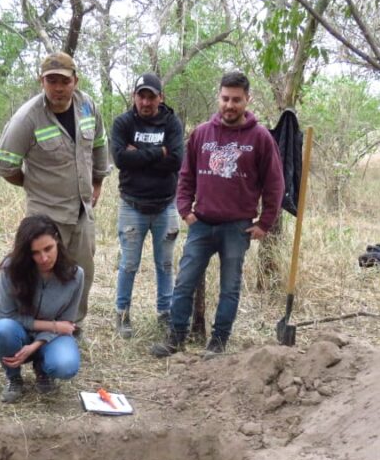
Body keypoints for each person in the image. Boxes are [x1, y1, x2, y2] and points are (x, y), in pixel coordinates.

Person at [151, 71, 285, 358]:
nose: (230, 105)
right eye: (225, 98)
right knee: (185, 281)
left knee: (230, 287)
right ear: (218, 98)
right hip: (202, 223)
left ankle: (218, 342)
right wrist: (185, 210)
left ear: (247, 100)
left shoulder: (260, 137)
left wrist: (265, 223)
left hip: (237, 227)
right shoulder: (201, 133)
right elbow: (185, 176)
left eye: (237, 100)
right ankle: (176, 337)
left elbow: (275, 183)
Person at [0, 51, 110, 324]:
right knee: (40, 273)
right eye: (52, 81)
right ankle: (33, 326)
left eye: (64, 81)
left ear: (75, 81)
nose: (58, 88)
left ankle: (72, 326)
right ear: (41, 82)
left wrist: (97, 182)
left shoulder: (87, 107)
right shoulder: (27, 118)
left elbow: (99, 144)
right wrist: (33, 186)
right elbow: (6, 167)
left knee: (82, 271)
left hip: (82, 211)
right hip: (45, 217)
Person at [109, 72, 185, 338]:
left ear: (160, 98)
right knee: (129, 263)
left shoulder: (172, 123)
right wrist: (158, 153)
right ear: (134, 97)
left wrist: (138, 155)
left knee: (165, 264)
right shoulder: (122, 123)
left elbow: (176, 160)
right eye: (141, 95)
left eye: (151, 96)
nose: (145, 102)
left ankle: (165, 313)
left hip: (165, 205)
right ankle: (122, 313)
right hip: (132, 205)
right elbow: (120, 159)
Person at [0, 215, 82, 403]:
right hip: (18, 331)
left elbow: (67, 322)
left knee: (66, 365)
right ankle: (14, 377)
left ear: (57, 240)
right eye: (35, 253)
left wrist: (35, 346)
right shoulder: (11, 270)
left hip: (50, 338)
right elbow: (7, 316)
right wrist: (54, 326)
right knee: (3, 330)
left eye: (48, 249)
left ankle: (43, 369)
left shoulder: (76, 275)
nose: (44, 258)